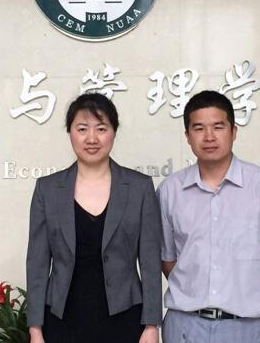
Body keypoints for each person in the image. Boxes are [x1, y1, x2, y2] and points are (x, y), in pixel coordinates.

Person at [158, 90, 260, 343]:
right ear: (187, 136)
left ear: (234, 131)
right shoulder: (170, 190)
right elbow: (166, 257)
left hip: (245, 328)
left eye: (218, 126)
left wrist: (246, 291)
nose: (209, 136)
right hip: (185, 326)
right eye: (199, 128)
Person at [26, 93, 162, 343]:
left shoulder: (139, 187)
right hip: (62, 319)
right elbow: (37, 264)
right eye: (82, 129)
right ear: (70, 132)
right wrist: (35, 330)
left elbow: (151, 262)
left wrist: (151, 325)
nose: (91, 138)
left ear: (114, 132)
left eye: (101, 129)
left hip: (125, 318)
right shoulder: (48, 189)